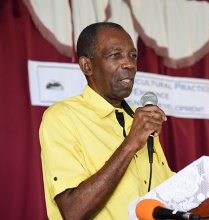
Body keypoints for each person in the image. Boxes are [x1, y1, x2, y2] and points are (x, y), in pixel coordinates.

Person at [39, 22, 175, 220]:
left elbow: (167, 190)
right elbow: (73, 211)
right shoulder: (62, 117)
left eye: (133, 56)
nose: (129, 64)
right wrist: (131, 143)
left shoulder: (138, 120)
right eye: (115, 55)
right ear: (87, 66)